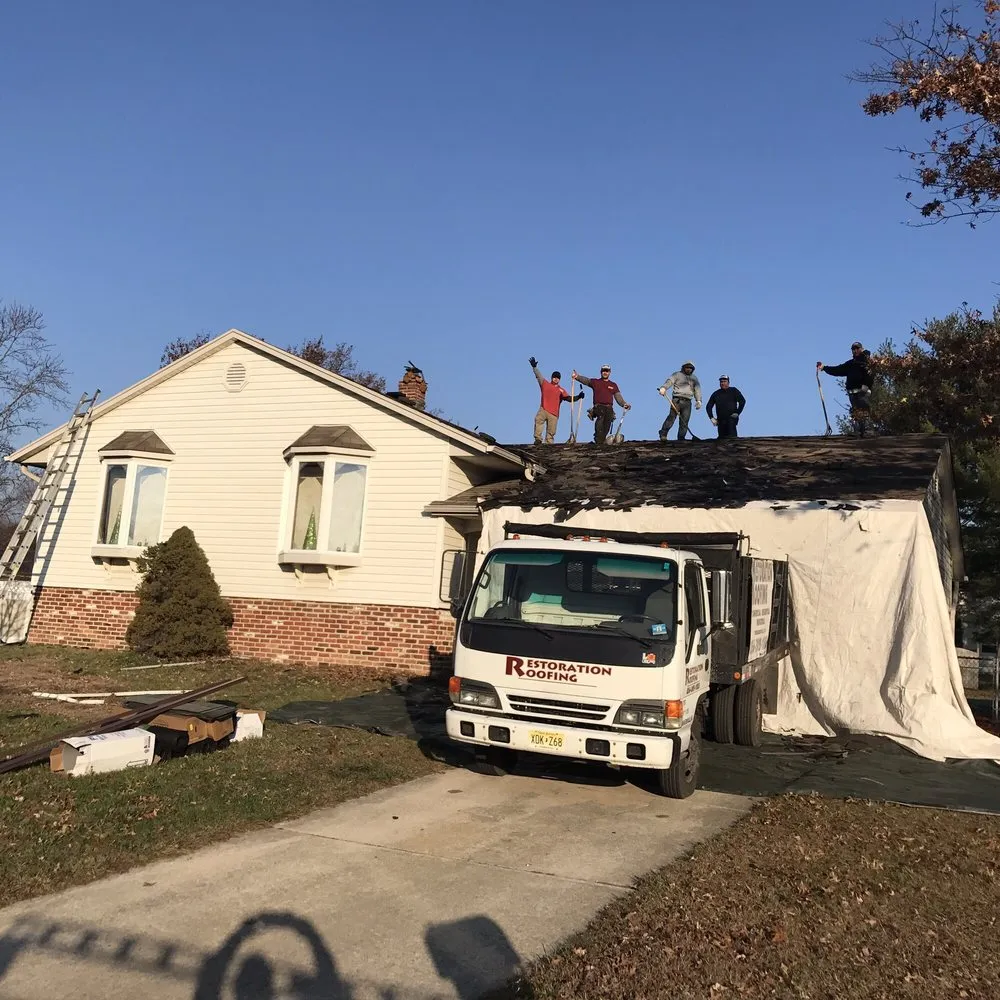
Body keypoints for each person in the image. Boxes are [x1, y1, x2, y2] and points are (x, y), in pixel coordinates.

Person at [817, 341, 874, 437]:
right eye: (853, 349)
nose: (855, 350)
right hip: (852, 393)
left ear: (861, 349)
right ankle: (859, 432)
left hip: (862, 391)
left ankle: (868, 431)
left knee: (864, 410)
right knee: (856, 412)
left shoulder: (866, 361)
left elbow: (871, 374)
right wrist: (824, 368)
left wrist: (866, 385)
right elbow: (837, 370)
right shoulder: (850, 364)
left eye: (857, 348)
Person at [571, 363, 631, 444]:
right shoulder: (596, 382)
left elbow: (618, 397)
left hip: (609, 408)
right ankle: (598, 439)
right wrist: (577, 377)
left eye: (607, 371)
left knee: (607, 425)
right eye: (603, 371)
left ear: (609, 372)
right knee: (600, 418)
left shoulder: (613, 385)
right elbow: (586, 381)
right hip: (598, 406)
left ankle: (602, 441)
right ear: (601, 372)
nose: (605, 372)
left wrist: (624, 404)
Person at [529, 356, 583, 444]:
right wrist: (534, 367)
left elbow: (569, 398)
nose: (556, 379)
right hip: (543, 408)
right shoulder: (545, 384)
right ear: (552, 377)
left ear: (559, 379)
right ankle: (538, 439)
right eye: (554, 377)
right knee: (538, 420)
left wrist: (578, 396)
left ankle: (549, 443)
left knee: (551, 430)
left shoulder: (561, 390)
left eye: (558, 378)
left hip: (554, 413)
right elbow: (538, 376)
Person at [657, 361, 702, 440]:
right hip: (677, 400)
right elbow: (670, 381)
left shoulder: (694, 378)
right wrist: (664, 388)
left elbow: (697, 389)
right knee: (671, 417)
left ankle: (681, 438)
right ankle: (663, 433)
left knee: (684, 421)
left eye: (690, 368)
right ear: (684, 367)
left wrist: (698, 400)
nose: (688, 369)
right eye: (687, 367)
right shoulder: (677, 375)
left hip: (687, 402)